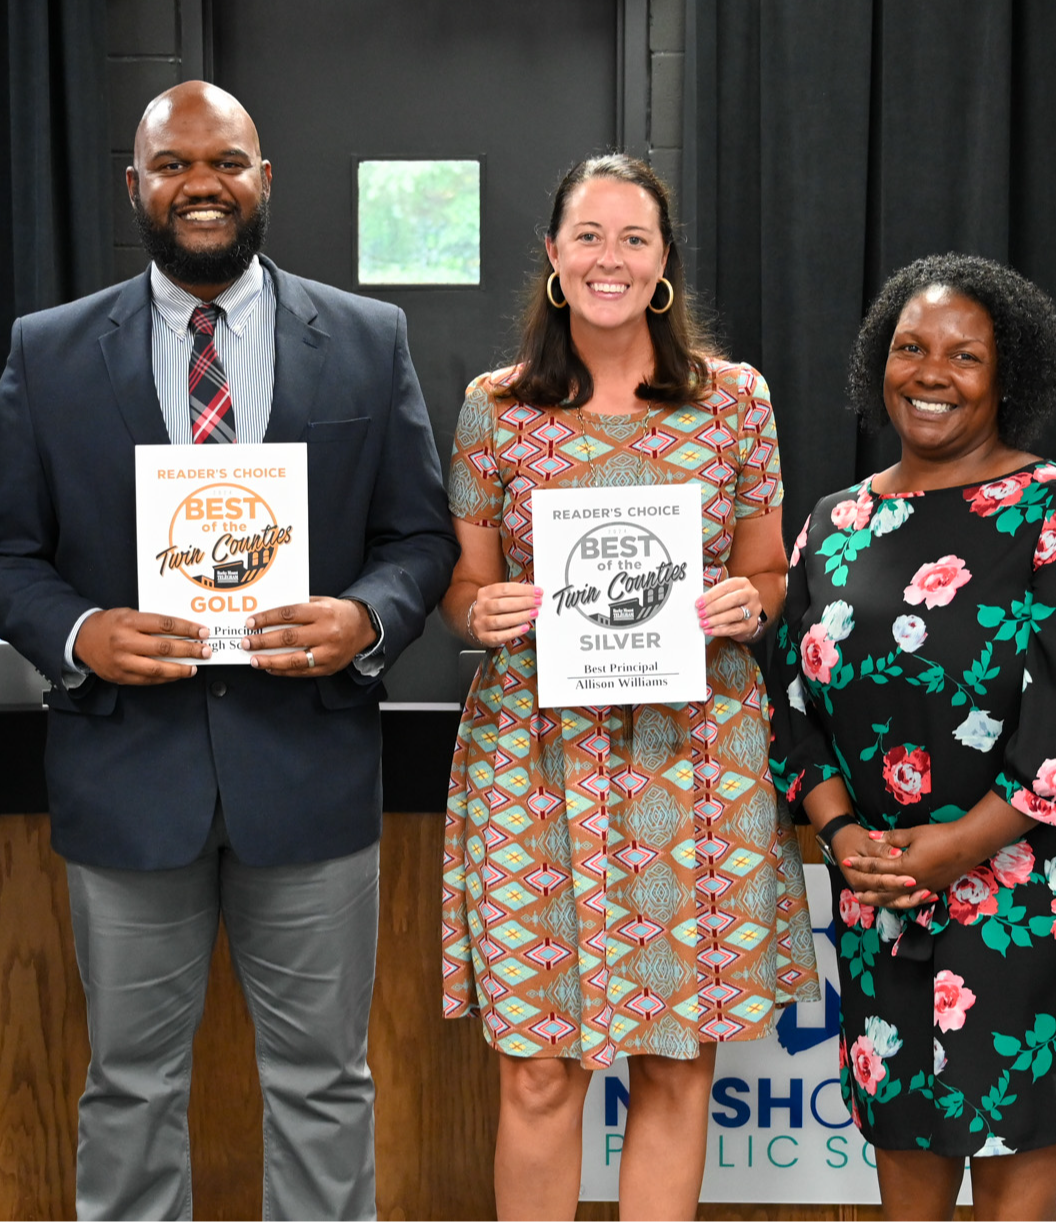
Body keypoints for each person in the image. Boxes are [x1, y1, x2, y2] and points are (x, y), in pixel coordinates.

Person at [0, 80, 456, 1220]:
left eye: (226, 163)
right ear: (133, 185)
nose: (202, 185)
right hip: (126, 775)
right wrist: (82, 631)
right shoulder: (46, 352)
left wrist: (365, 619)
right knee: (129, 1086)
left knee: (322, 1085)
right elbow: (5, 555)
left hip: (307, 771)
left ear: (264, 180)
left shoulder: (363, 335)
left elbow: (419, 535)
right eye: (174, 164)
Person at [440, 154, 819, 1222]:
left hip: (693, 754)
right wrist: (483, 613)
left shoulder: (733, 399)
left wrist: (749, 603)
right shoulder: (495, 409)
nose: (610, 258)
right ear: (555, 260)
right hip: (536, 764)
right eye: (589, 236)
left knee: (673, 1057)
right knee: (536, 1065)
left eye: (634, 239)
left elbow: (766, 573)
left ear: (662, 268)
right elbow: (463, 589)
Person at [768, 253, 1056, 1222]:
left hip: (1021, 899)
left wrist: (957, 848)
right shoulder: (832, 522)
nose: (930, 372)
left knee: (1021, 1144)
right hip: (881, 897)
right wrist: (847, 840)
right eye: (909, 348)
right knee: (905, 1154)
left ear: (1005, 374)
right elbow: (790, 704)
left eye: (963, 355)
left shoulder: (1047, 510)